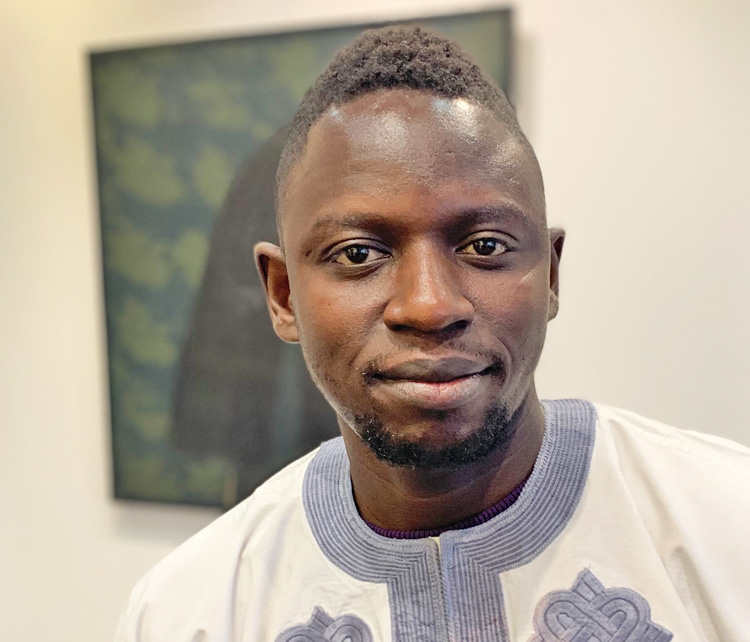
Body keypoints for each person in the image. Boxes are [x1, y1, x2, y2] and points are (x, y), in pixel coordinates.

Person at [116, 26, 750, 642]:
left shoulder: (727, 531)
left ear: (550, 274)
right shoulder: (188, 613)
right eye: (359, 254)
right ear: (283, 295)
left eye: (485, 245)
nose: (429, 306)